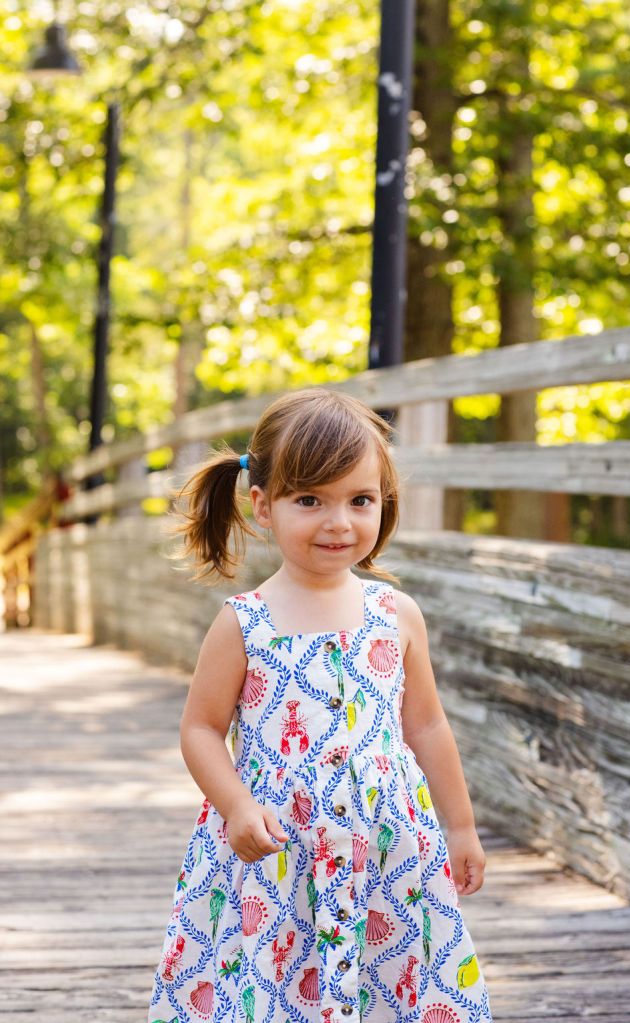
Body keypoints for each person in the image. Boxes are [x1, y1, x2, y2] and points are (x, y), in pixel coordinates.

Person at [147, 388, 494, 1023]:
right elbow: (200, 729)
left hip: (384, 847)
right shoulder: (244, 623)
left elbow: (427, 725)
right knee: (276, 985)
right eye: (310, 500)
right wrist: (237, 805)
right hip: (278, 852)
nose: (339, 522)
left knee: (388, 980)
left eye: (359, 500)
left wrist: (461, 826)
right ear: (263, 506)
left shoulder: (396, 614)